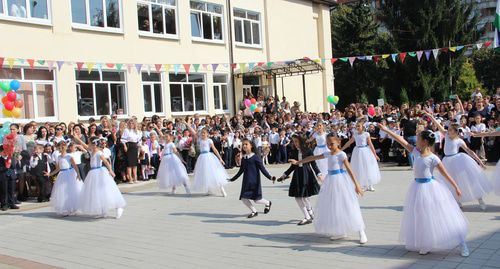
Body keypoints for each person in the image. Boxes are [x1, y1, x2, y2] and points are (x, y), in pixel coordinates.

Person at [378, 124, 469, 257]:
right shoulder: (415, 152)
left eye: (418, 138)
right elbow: (400, 139)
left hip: (430, 188)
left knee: (442, 215)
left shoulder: (433, 158)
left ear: (425, 142)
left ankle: (462, 243)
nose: (416, 140)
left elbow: (445, 174)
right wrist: (386, 130)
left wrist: (456, 187)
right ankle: (426, 243)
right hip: (417, 188)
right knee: (422, 216)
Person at [291, 134, 367, 244]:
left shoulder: (342, 154)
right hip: (330, 181)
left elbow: (349, 170)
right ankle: (341, 231)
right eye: (328, 144)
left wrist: (357, 185)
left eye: (332, 144)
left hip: (341, 181)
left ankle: (361, 231)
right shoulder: (327, 154)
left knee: (348, 205)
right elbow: (312, 158)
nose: (330, 146)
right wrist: (298, 162)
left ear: (338, 142)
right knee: (334, 206)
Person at [425, 112, 491, 210]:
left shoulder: (459, 141)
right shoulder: (446, 136)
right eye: (448, 129)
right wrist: (431, 116)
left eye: (451, 130)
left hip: (458, 160)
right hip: (447, 161)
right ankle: (457, 201)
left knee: (468, 180)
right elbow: (439, 126)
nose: (448, 131)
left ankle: (480, 199)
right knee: (450, 181)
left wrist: (479, 161)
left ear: (456, 132)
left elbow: (470, 151)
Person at [278, 134, 321, 225]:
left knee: (305, 197)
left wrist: (319, 174)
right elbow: (292, 167)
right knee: (298, 197)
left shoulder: (308, 151)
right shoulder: (293, 151)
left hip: (306, 174)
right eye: (293, 141)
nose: (295, 143)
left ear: (301, 141)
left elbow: (313, 164)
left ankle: (309, 212)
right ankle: (307, 216)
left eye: (296, 141)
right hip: (297, 175)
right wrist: (284, 175)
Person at [79, 138, 126, 219]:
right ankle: (103, 211)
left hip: (99, 172)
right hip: (93, 173)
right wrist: (76, 137)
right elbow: (84, 145)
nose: (88, 145)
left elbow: (106, 162)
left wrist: (110, 170)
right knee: (97, 192)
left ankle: (118, 207)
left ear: (94, 144)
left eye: (90, 143)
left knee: (106, 190)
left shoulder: (99, 153)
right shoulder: (92, 151)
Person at [228, 139, 274, 218]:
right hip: (246, 182)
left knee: (257, 200)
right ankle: (254, 211)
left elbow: (262, 169)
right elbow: (241, 171)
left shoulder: (255, 157)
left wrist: (270, 177)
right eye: (243, 144)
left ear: (251, 146)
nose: (244, 146)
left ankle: (268, 203)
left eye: (246, 144)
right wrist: (232, 179)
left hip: (254, 182)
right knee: (243, 198)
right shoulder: (244, 158)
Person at [186, 119, 228, 197]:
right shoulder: (199, 140)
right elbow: (193, 132)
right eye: (202, 133)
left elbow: (215, 149)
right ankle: (208, 189)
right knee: (205, 173)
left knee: (214, 173)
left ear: (207, 134)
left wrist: (220, 158)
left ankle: (222, 189)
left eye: (204, 133)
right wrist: (187, 124)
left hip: (209, 157)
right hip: (202, 158)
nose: (202, 134)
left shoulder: (209, 140)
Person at [341, 121, 381, 191]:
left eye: (359, 126)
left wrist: (375, 155)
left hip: (365, 151)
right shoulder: (355, 134)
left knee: (367, 167)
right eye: (356, 126)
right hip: (357, 151)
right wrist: (341, 149)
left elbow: (371, 144)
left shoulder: (366, 134)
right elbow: (349, 142)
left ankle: (369, 184)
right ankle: (361, 184)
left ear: (362, 127)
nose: (357, 127)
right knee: (359, 167)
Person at [48, 141, 83, 216]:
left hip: (69, 174)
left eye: (63, 146)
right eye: (60, 147)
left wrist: (78, 174)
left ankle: (73, 208)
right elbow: (58, 168)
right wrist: (50, 174)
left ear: (66, 147)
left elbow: (75, 166)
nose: (62, 148)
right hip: (62, 175)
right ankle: (65, 208)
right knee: (62, 191)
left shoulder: (69, 156)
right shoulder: (58, 157)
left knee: (71, 191)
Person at [121, 119, 142, 184]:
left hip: (135, 146)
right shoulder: (126, 130)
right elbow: (123, 139)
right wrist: (125, 146)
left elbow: (138, 141)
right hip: (129, 146)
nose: (131, 124)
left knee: (135, 163)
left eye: (132, 123)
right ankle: (130, 178)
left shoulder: (137, 131)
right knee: (129, 164)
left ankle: (135, 177)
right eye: (130, 123)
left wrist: (139, 148)